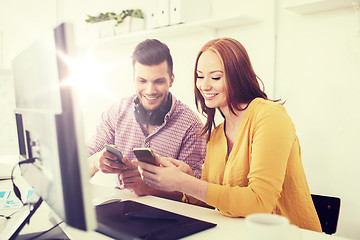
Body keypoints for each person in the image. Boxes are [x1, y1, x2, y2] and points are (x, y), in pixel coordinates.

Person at [135, 37, 322, 232]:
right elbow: (210, 204)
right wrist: (187, 177)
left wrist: (185, 183)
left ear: (238, 76)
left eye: (215, 77)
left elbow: (260, 203)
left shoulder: (269, 116)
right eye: (200, 76)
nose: (204, 86)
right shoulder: (216, 134)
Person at [87, 39, 207, 201]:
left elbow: (196, 194)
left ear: (171, 80)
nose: (150, 90)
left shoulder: (191, 125)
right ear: (134, 79)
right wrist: (95, 162)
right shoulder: (116, 113)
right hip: (121, 207)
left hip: (169, 217)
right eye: (142, 81)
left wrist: (149, 188)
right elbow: (76, 170)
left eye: (158, 81)